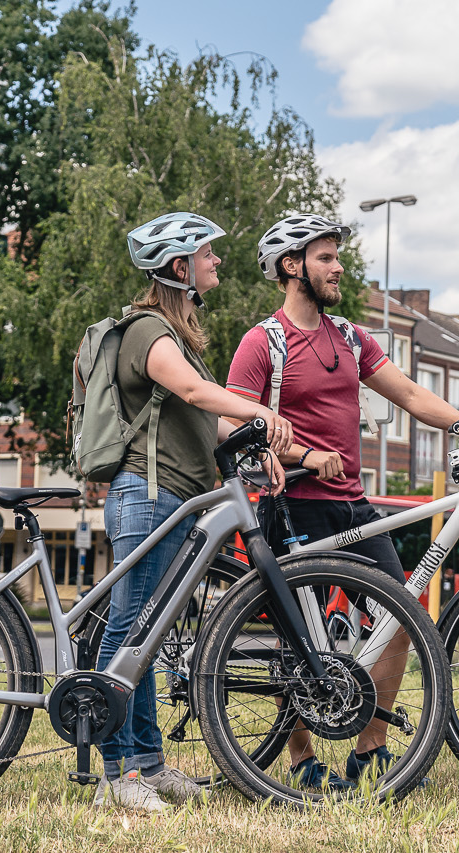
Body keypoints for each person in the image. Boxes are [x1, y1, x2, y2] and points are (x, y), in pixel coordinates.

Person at [226, 212, 459, 792]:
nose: (338, 267)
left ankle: (369, 750)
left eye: (337, 257)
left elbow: (404, 392)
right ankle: (301, 762)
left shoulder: (350, 336)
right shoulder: (262, 342)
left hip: (352, 503)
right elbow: (231, 425)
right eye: (325, 258)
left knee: (405, 615)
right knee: (294, 641)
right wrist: (299, 454)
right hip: (291, 505)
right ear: (290, 266)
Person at [94, 210, 294, 813]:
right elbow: (195, 394)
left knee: (147, 639)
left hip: (175, 498)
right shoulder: (146, 331)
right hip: (145, 495)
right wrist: (263, 413)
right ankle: (114, 775)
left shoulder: (178, 336)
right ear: (179, 267)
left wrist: (256, 454)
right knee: (128, 632)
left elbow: (208, 419)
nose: (216, 262)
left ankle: (147, 765)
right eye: (207, 254)